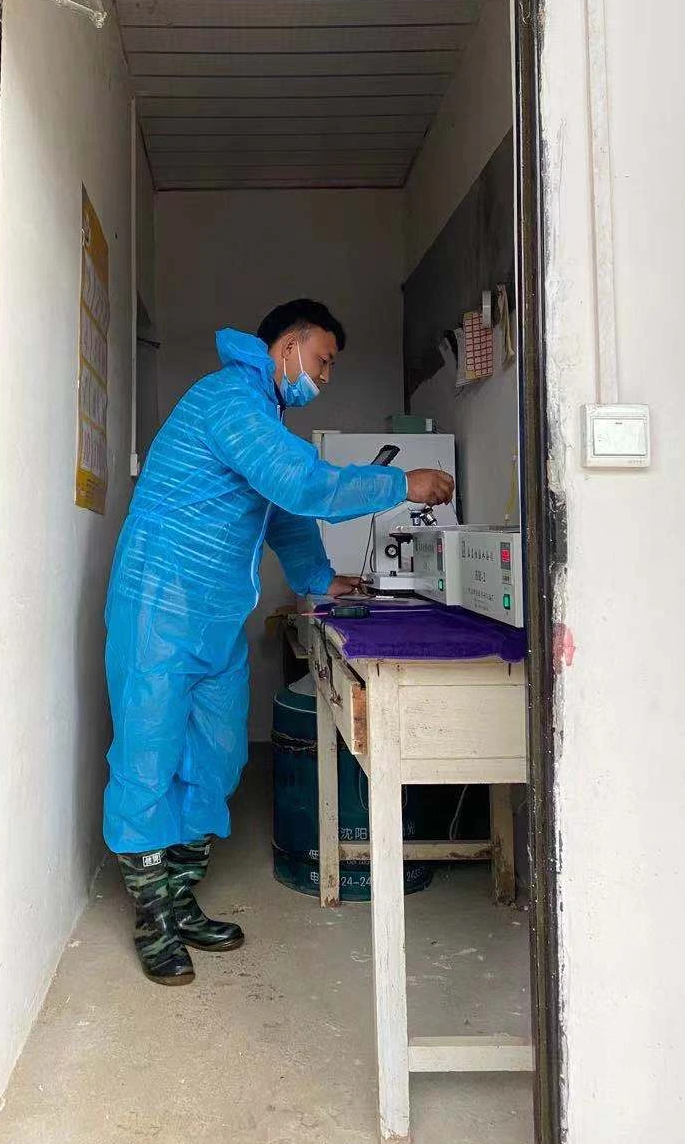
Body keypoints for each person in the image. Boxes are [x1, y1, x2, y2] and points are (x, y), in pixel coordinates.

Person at [102, 300, 455, 985]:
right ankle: (153, 918)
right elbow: (302, 483)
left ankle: (180, 898)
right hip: (157, 607)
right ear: (289, 345)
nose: (322, 377)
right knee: (148, 759)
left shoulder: (264, 419)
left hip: (214, 618)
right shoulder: (229, 400)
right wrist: (402, 483)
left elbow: (285, 514)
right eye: (321, 360)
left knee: (217, 756)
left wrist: (320, 581)